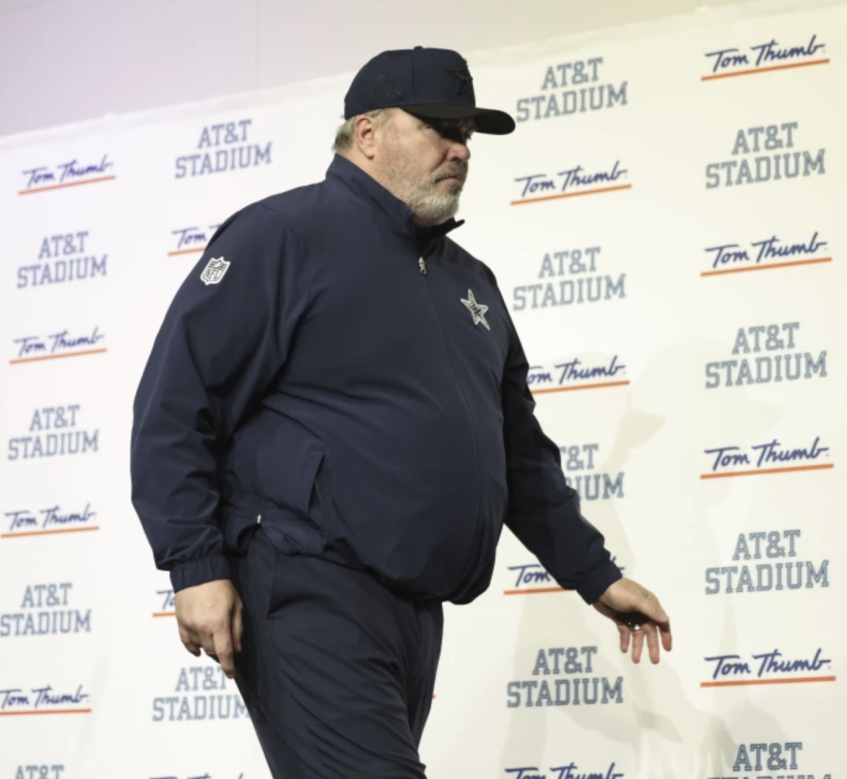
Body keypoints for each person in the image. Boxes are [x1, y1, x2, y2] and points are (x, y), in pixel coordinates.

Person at [130, 47, 672, 778]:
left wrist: (594, 572)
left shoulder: (469, 283)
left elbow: (518, 454)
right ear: (368, 133)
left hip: (416, 613)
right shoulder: (282, 236)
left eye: (468, 135)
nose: (461, 149)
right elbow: (175, 401)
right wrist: (195, 563)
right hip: (306, 583)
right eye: (439, 127)